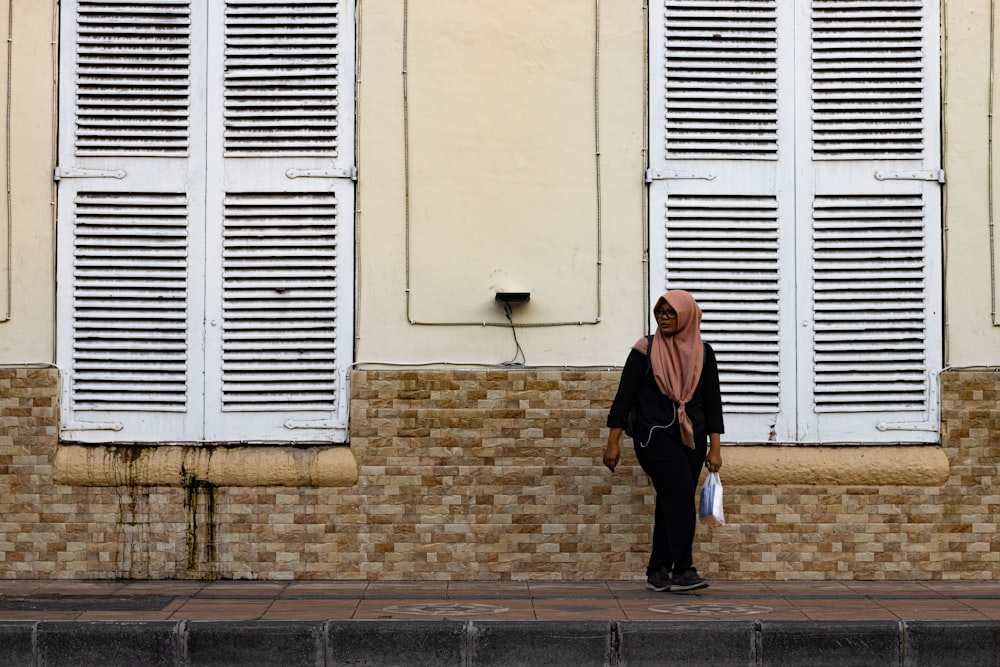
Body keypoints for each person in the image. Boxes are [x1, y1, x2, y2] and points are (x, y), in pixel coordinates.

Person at [603, 290, 724, 592]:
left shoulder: (704, 353)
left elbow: (712, 403)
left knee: (671, 502)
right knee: (681, 496)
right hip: (653, 437)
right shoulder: (645, 350)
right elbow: (624, 398)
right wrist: (613, 442)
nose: (664, 317)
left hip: (692, 440)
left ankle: (658, 572)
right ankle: (682, 569)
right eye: (660, 312)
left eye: (671, 312)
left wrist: (716, 447)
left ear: (687, 316)